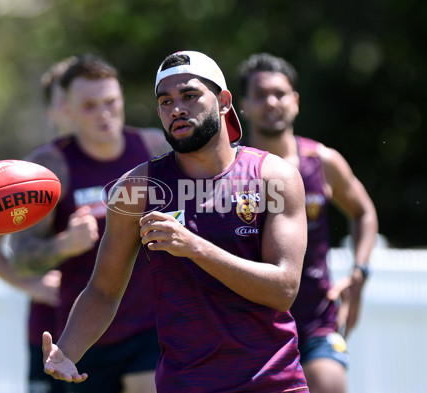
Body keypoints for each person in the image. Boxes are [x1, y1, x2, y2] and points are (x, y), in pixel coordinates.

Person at [42, 50, 310, 392]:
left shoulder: (273, 176)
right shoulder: (135, 189)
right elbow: (104, 289)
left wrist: (195, 247)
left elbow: (283, 289)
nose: (177, 109)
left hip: (273, 382)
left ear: (224, 101)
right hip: (186, 383)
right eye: (165, 101)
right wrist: (67, 350)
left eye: (190, 96)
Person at [9, 53, 170, 393]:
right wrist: (64, 244)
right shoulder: (49, 165)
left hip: (150, 327)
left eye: (111, 101)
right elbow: (21, 257)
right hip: (86, 334)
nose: (104, 113)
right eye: (89, 106)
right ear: (67, 108)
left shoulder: (153, 146)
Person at [237, 53, 379, 393]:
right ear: (243, 105)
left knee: (329, 383)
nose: (271, 102)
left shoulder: (322, 161)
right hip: (250, 326)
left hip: (317, 321)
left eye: (280, 93)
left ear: (295, 102)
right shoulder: (233, 169)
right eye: (259, 95)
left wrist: (360, 272)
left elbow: (364, 212)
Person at [0, 55, 79, 393]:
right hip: (51, 331)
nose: (79, 107)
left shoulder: (128, 158)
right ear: (53, 111)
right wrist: (26, 283)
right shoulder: (35, 174)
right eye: (67, 98)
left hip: (127, 331)